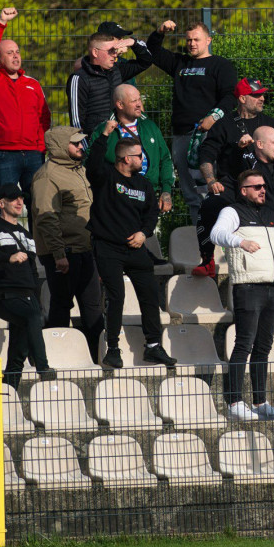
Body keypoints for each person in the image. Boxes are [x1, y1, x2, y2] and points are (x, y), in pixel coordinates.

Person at [87, 120, 175, 369]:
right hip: (108, 248)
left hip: (136, 248)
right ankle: (112, 349)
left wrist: (143, 233)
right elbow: (92, 163)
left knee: (150, 295)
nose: (142, 159)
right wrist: (103, 134)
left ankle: (154, 346)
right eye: (138, 156)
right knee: (116, 297)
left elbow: (151, 215)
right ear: (126, 158)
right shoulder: (106, 176)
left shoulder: (144, 184)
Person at [210, 169, 274, 421]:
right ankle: (234, 402)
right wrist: (239, 242)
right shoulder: (232, 212)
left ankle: (260, 401)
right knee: (244, 344)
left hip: (271, 288)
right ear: (244, 190)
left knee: (264, 346)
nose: (262, 189)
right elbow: (216, 234)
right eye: (256, 187)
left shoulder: (269, 212)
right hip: (248, 287)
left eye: (263, 185)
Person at [147, 19, 238, 225]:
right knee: (191, 194)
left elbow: (229, 97)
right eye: (188, 40)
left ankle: (220, 239)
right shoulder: (181, 63)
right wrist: (160, 31)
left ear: (208, 40)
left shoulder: (221, 65)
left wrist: (213, 118)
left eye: (196, 39)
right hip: (181, 135)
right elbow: (153, 51)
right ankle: (202, 242)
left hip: (209, 136)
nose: (192, 44)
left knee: (210, 190)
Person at [193, 78, 274, 277]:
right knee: (209, 205)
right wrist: (211, 181)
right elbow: (206, 154)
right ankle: (208, 260)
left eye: (262, 94)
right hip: (232, 183)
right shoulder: (225, 124)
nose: (262, 98)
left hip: (263, 183)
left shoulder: (270, 124)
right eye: (256, 95)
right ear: (242, 98)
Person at [30, 126, 103, 358]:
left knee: (93, 307)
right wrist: (58, 254)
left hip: (85, 249)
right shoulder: (47, 176)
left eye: (82, 142)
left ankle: (96, 356)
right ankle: (54, 357)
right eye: (75, 143)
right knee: (62, 306)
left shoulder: (77, 170)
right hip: (64, 252)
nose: (82, 146)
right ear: (60, 146)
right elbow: (46, 217)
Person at [0, 184, 55, 388]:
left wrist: (36, 298)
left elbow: (33, 271)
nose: (19, 202)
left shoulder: (26, 234)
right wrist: (7, 257)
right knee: (32, 318)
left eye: (21, 198)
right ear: (1, 203)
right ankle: (42, 367)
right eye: (13, 198)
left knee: (18, 352)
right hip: (6, 296)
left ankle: (9, 393)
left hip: (29, 296)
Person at [0, 7, 51, 226]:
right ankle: (2, 255)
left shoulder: (33, 84)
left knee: (38, 205)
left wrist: (40, 148)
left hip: (34, 155)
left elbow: (44, 119)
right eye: (9, 52)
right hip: (4, 154)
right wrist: (1, 23)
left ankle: (44, 255)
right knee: (5, 205)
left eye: (17, 51)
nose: (15, 55)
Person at [97, 85, 174, 216]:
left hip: (148, 195)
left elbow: (165, 159)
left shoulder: (150, 126)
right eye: (134, 101)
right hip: (117, 199)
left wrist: (166, 190)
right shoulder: (104, 130)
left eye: (139, 99)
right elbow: (93, 163)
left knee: (146, 234)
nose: (139, 104)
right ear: (120, 104)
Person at [67, 29, 153, 136]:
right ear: (95, 52)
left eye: (115, 50)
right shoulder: (79, 78)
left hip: (119, 137)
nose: (115, 55)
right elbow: (77, 121)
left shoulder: (118, 70)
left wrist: (134, 43)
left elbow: (146, 61)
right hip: (95, 141)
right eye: (111, 51)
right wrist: (86, 149)